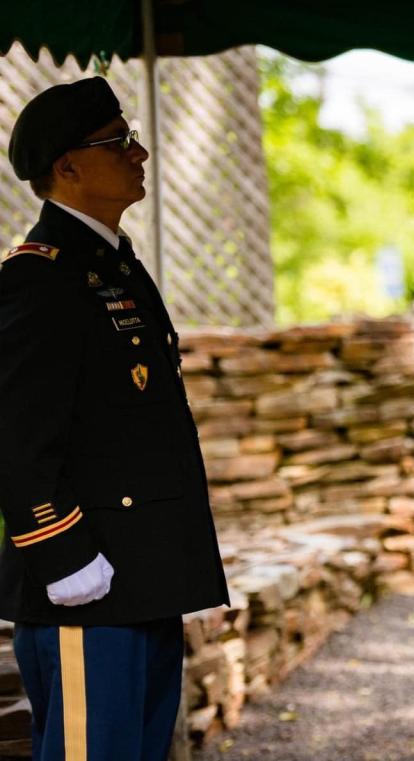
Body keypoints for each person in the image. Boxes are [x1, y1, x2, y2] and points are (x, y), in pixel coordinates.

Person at [0, 77, 229, 760]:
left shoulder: (112, 265)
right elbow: (14, 434)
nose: (141, 152)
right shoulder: (40, 279)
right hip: (86, 584)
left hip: (139, 578)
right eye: (119, 141)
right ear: (68, 167)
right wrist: (62, 554)